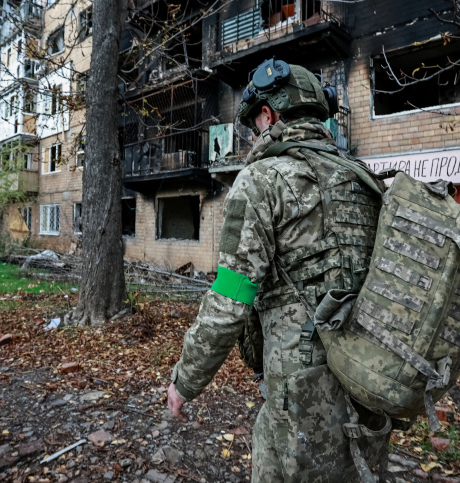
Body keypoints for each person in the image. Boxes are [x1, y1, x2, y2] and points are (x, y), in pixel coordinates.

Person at [166, 60, 391, 481]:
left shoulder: (261, 180)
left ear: (267, 115)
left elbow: (231, 296)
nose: (254, 134)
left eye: (254, 123)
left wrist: (186, 380)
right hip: (370, 378)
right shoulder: (362, 179)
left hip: (302, 390)